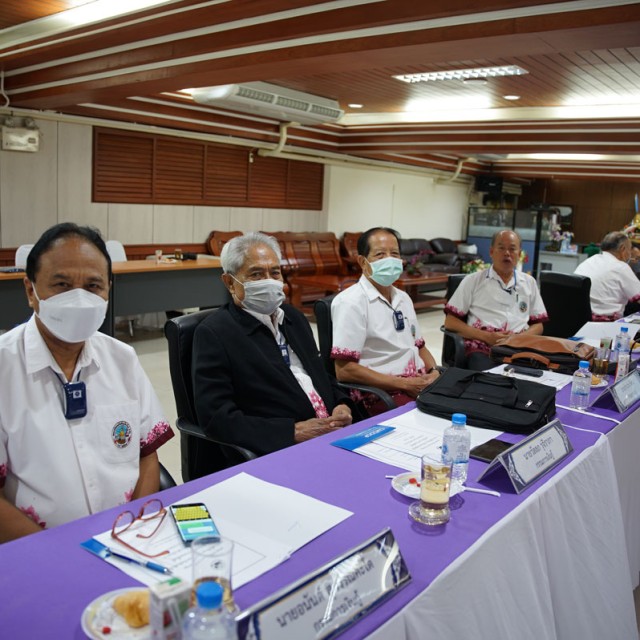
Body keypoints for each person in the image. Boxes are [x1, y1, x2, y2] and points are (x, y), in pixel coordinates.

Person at [0, 223, 174, 543]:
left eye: (93, 286)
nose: (79, 299)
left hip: (126, 541)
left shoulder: (122, 359)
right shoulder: (4, 368)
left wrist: (132, 533)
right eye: (62, 285)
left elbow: (147, 456)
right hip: (37, 551)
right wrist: (61, 554)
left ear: (108, 290)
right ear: (30, 291)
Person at [192, 232, 352, 459]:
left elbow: (320, 376)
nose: (269, 280)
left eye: (275, 272)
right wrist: (292, 432)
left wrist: (341, 404)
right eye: (256, 274)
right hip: (281, 448)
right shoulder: (215, 333)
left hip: (332, 434)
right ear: (229, 282)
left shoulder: (293, 318)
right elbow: (216, 417)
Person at [330, 227, 440, 415]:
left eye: (394, 254)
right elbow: (345, 370)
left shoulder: (403, 298)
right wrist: (404, 384)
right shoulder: (351, 302)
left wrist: (434, 372)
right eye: (380, 254)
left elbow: (420, 347)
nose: (389, 260)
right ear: (362, 262)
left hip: (417, 383)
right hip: (381, 392)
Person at [444, 229, 548, 371]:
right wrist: (487, 337)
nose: (507, 253)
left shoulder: (529, 283)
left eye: (512, 249)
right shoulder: (473, 281)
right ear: (491, 252)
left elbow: (538, 326)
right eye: (501, 248)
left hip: (519, 349)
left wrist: (518, 339)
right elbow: (450, 322)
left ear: (519, 254)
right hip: (483, 348)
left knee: (537, 378)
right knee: (490, 379)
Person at [574, 231, 640, 320]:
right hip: (606, 322)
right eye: (629, 249)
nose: (630, 255)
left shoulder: (588, 261)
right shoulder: (621, 267)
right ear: (622, 249)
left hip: (578, 318)